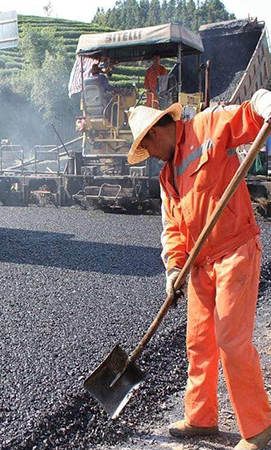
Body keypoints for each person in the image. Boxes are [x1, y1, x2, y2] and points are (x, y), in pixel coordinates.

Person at [127, 90, 271, 450]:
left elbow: (251, 113)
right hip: (199, 264)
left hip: (234, 250)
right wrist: (173, 269)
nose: (150, 156)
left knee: (231, 342)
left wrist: (264, 104)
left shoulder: (209, 126)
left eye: (148, 147)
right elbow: (172, 227)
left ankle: (258, 428)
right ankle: (201, 418)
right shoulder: (166, 177)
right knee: (199, 342)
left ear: (156, 133)